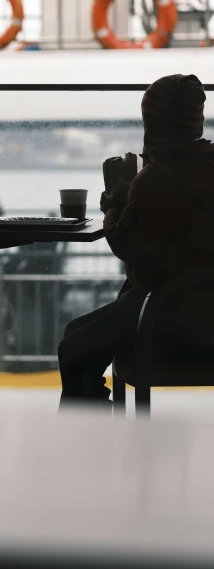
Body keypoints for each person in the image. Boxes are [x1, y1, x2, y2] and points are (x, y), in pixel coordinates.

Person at [58, 74, 214, 407]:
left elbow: (124, 245)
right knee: (76, 332)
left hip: (167, 315)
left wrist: (116, 201)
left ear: (153, 121)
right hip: (203, 313)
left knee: (73, 347)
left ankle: (87, 441)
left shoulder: (156, 179)